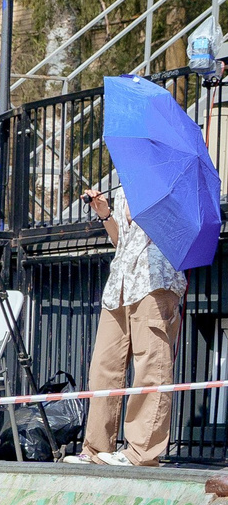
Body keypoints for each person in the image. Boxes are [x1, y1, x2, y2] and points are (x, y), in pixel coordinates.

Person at [69, 183, 184, 467]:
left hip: (156, 279)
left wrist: (146, 209)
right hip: (121, 283)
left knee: (151, 365)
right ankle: (96, 448)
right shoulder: (130, 179)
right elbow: (124, 241)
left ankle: (141, 452)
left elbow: (179, 233)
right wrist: (107, 215)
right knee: (104, 364)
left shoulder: (170, 180)